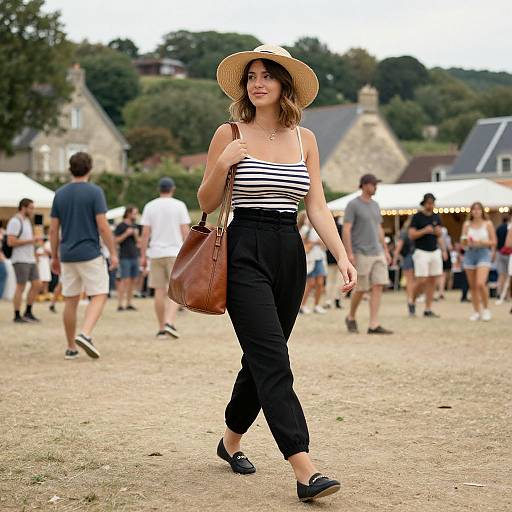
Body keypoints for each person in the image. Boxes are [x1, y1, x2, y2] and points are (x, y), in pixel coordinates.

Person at [202, 44, 357, 502]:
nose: (258, 82)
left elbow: (316, 205)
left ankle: (230, 442)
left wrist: (341, 255)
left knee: (261, 357)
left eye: (268, 74)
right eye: (252, 75)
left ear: (284, 84)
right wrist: (225, 163)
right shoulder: (229, 133)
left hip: (289, 250)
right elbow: (207, 202)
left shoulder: (305, 139)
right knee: (273, 358)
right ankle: (303, 467)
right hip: (243, 245)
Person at [50, 152, 118, 360]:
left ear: (70, 169)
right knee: (100, 293)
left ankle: (71, 347)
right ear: (90, 169)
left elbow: (54, 230)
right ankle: (86, 334)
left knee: (70, 300)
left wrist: (54, 256)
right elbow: (103, 227)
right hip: (89, 253)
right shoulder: (95, 192)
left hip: (67, 254)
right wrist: (113, 252)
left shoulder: (60, 194)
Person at [140, 177, 191, 339]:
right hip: (175, 253)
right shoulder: (179, 205)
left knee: (158, 291)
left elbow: (145, 234)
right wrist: (190, 252)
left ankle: (161, 327)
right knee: (175, 291)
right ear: (173, 189)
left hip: (155, 252)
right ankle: (169, 322)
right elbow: (185, 232)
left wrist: (143, 255)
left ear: (159, 189)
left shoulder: (150, 206)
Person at [343, 174, 393, 335]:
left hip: (377, 251)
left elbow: (379, 228)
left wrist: (385, 249)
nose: (376, 187)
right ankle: (351, 317)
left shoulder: (376, 205)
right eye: (373, 184)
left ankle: (373, 324)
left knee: (378, 285)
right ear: (364, 185)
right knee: (362, 288)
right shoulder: (353, 205)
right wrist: (349, 252)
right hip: (361, 252)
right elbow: (347, 229)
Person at [408, 193, 447, 318]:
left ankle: (428, 308)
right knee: (421, 280)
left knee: (433, 281)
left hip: (434, 251)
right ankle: (412, 301)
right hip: (421, 251)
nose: (431, 205)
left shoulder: (437, 217)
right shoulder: (417, 217)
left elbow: (440, 235)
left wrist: (443, 249)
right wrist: (425, 230)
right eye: (428, 203)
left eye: (432, 203)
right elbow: (411, 234)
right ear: (424, 203)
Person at [6, 198, 42, 323]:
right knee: (20, 287)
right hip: (20, 259)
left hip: (30, 258)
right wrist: (32, 240)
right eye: (31, 208)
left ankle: (28, 311)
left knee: (37, 284)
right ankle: (17, 315)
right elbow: (10, 241)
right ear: (23, 207)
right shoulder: (15, 221)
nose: (33, 210)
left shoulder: (26, 221)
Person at [460, 202, 496, 321]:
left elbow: (494, 242)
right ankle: (476, 311)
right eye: (474, 209)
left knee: (481, 283)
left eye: (478, 209)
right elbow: (463, 241)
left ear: (482, 211)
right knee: (473, 286)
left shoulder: (488, 224)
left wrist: (481, 242)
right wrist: (467, 242)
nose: (476, 211)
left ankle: (486, 309)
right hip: (470, 254)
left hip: (483, 253)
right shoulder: (467, 224)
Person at [299, 217, 328, 314]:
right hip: (310, 259)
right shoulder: (305, 229)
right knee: (310, 284)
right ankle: (302, 305)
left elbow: (325, 244)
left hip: (320, 257)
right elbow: (303, 242)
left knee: (320, 283)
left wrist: (320, 243)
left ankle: (316, 305)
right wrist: (315, 242)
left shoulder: (320, 229)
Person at [114, 205, 140, 311]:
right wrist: (126, 234)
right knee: (125, 281)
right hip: (124, 257)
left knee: (133, 281)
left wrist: (135, 235)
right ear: (128, 213)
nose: (136, 215)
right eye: (134, 213)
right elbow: (115, 240)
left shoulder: (136, 226)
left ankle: (129, 303)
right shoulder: (121, 226)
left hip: (135, 256)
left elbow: (139, 242)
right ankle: (120, 304)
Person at [392, 218, 415, 316]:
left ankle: (410, 300)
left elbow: (398, 247)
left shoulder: (404, 232)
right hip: (414, 257)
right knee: (411, 281)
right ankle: (411, 300)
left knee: (409, 282)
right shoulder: (409, 232)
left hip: (408, 258)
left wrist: (394, 259)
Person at [325, 215, 344, 309]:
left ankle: (328, 300)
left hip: (330, 255)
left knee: (330, 280)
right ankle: (337, 299)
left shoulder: (327, 228)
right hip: (340, 256)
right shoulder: (341, 228)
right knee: (339, 280)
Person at [495, 213, 511, 301]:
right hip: (508, 253)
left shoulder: (498, 228)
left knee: (501, 274)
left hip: (499, 253)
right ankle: (507, 295)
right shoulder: (509, 228)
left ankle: (499, 292)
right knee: (509, 275)